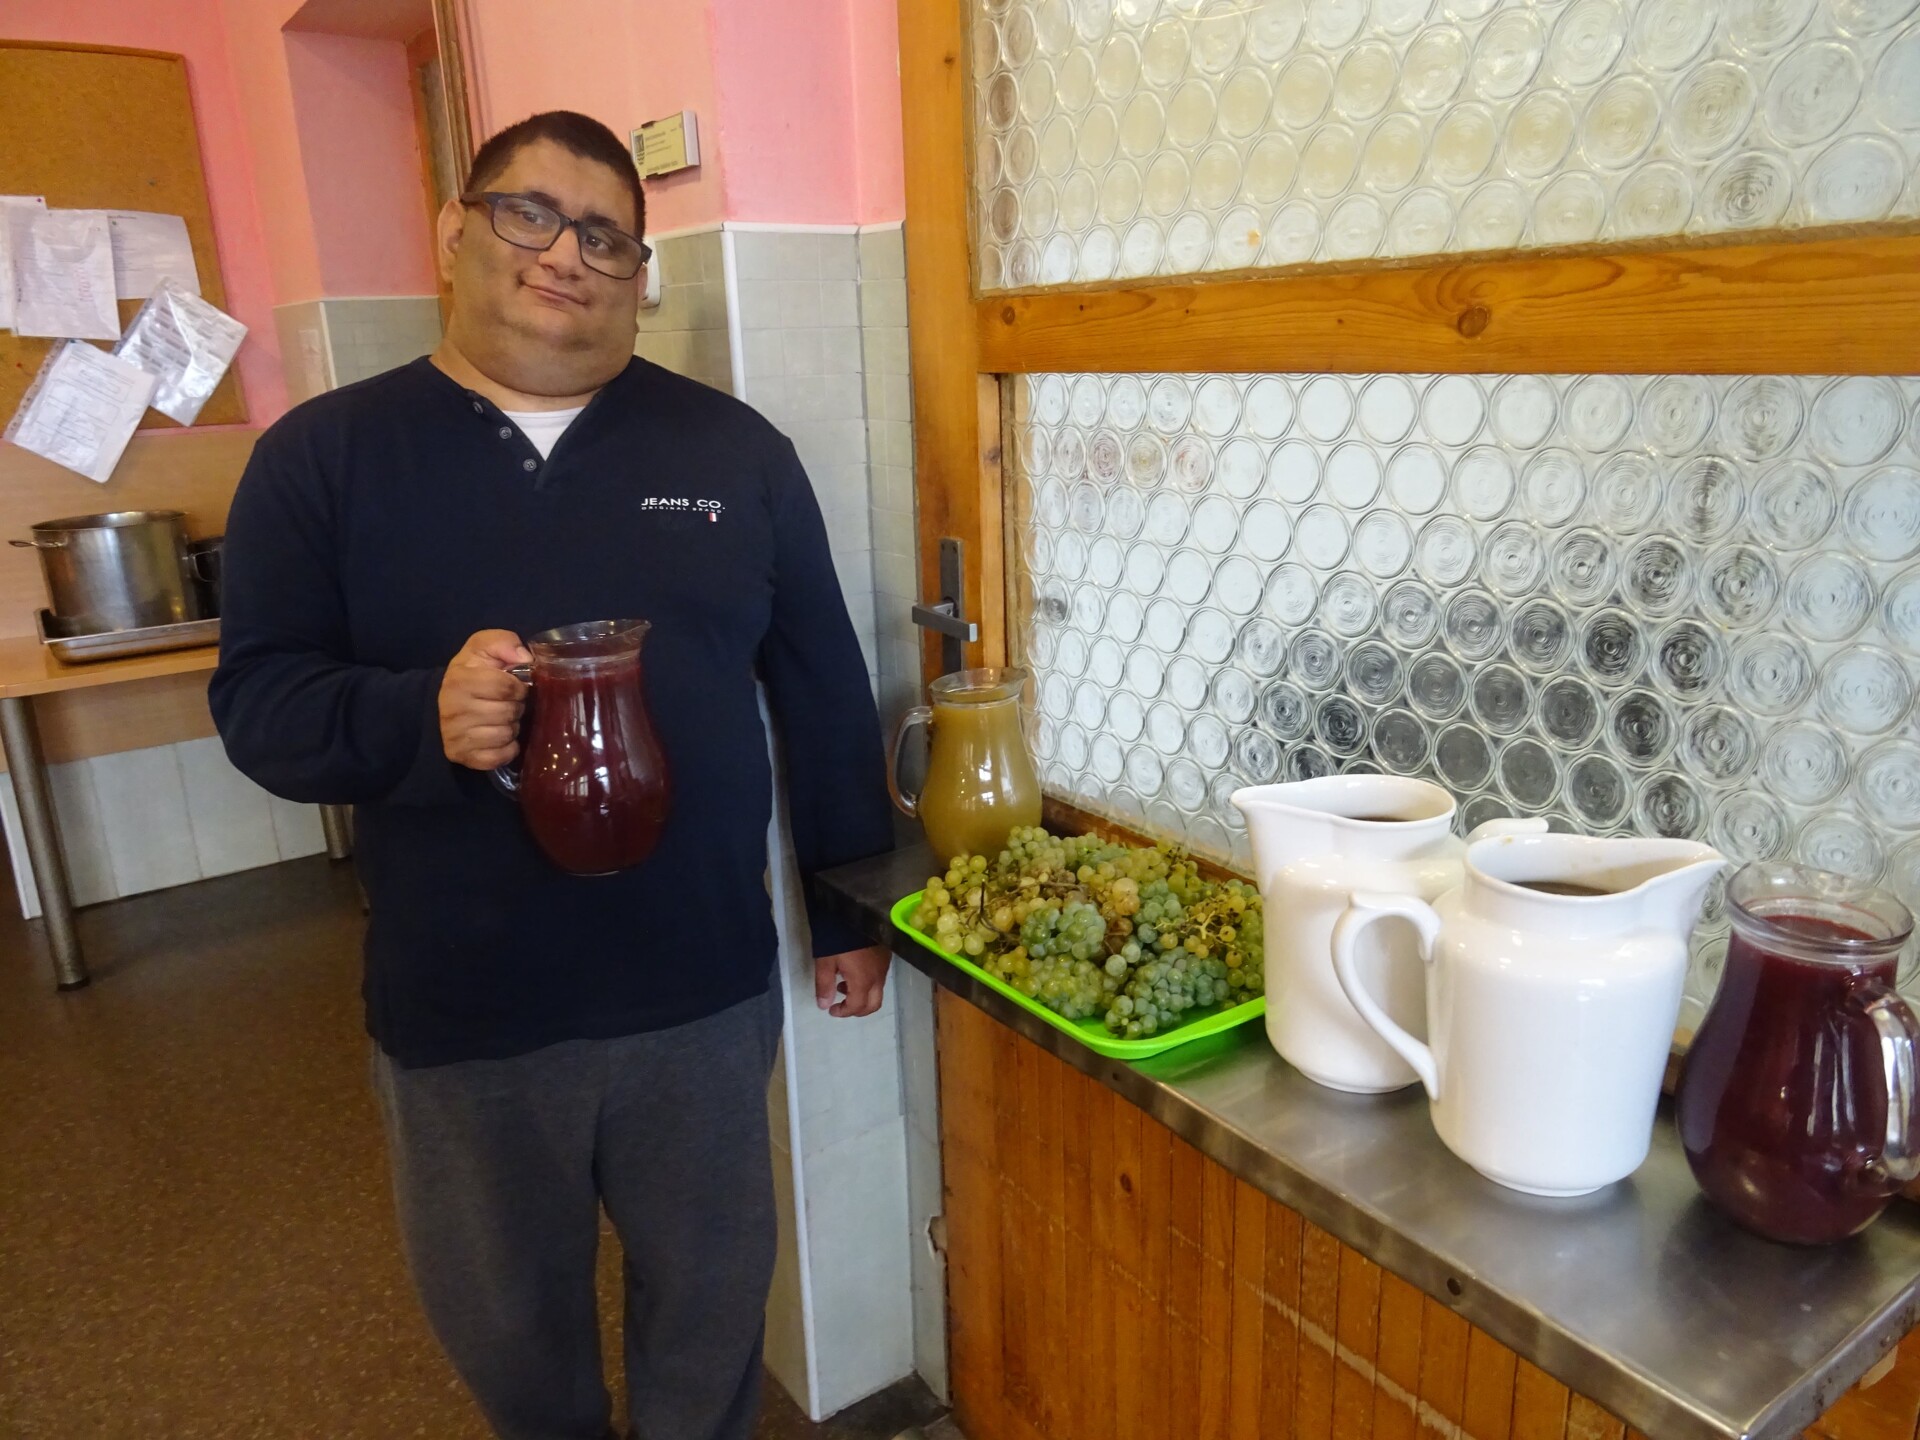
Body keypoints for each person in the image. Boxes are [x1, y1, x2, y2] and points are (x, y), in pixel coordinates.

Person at [210, 110, 895, 1440]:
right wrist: (419, 716)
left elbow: (820, 685)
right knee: (512, 1333)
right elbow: (259, 703)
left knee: (710, 1312)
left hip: (697, 984)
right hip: (466, 1005)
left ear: (640, 274)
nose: (566, 254)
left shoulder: (733, 453)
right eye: (528, 214)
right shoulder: (326, 456)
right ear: (454, 231)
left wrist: (846, 910)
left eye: (605, 236)